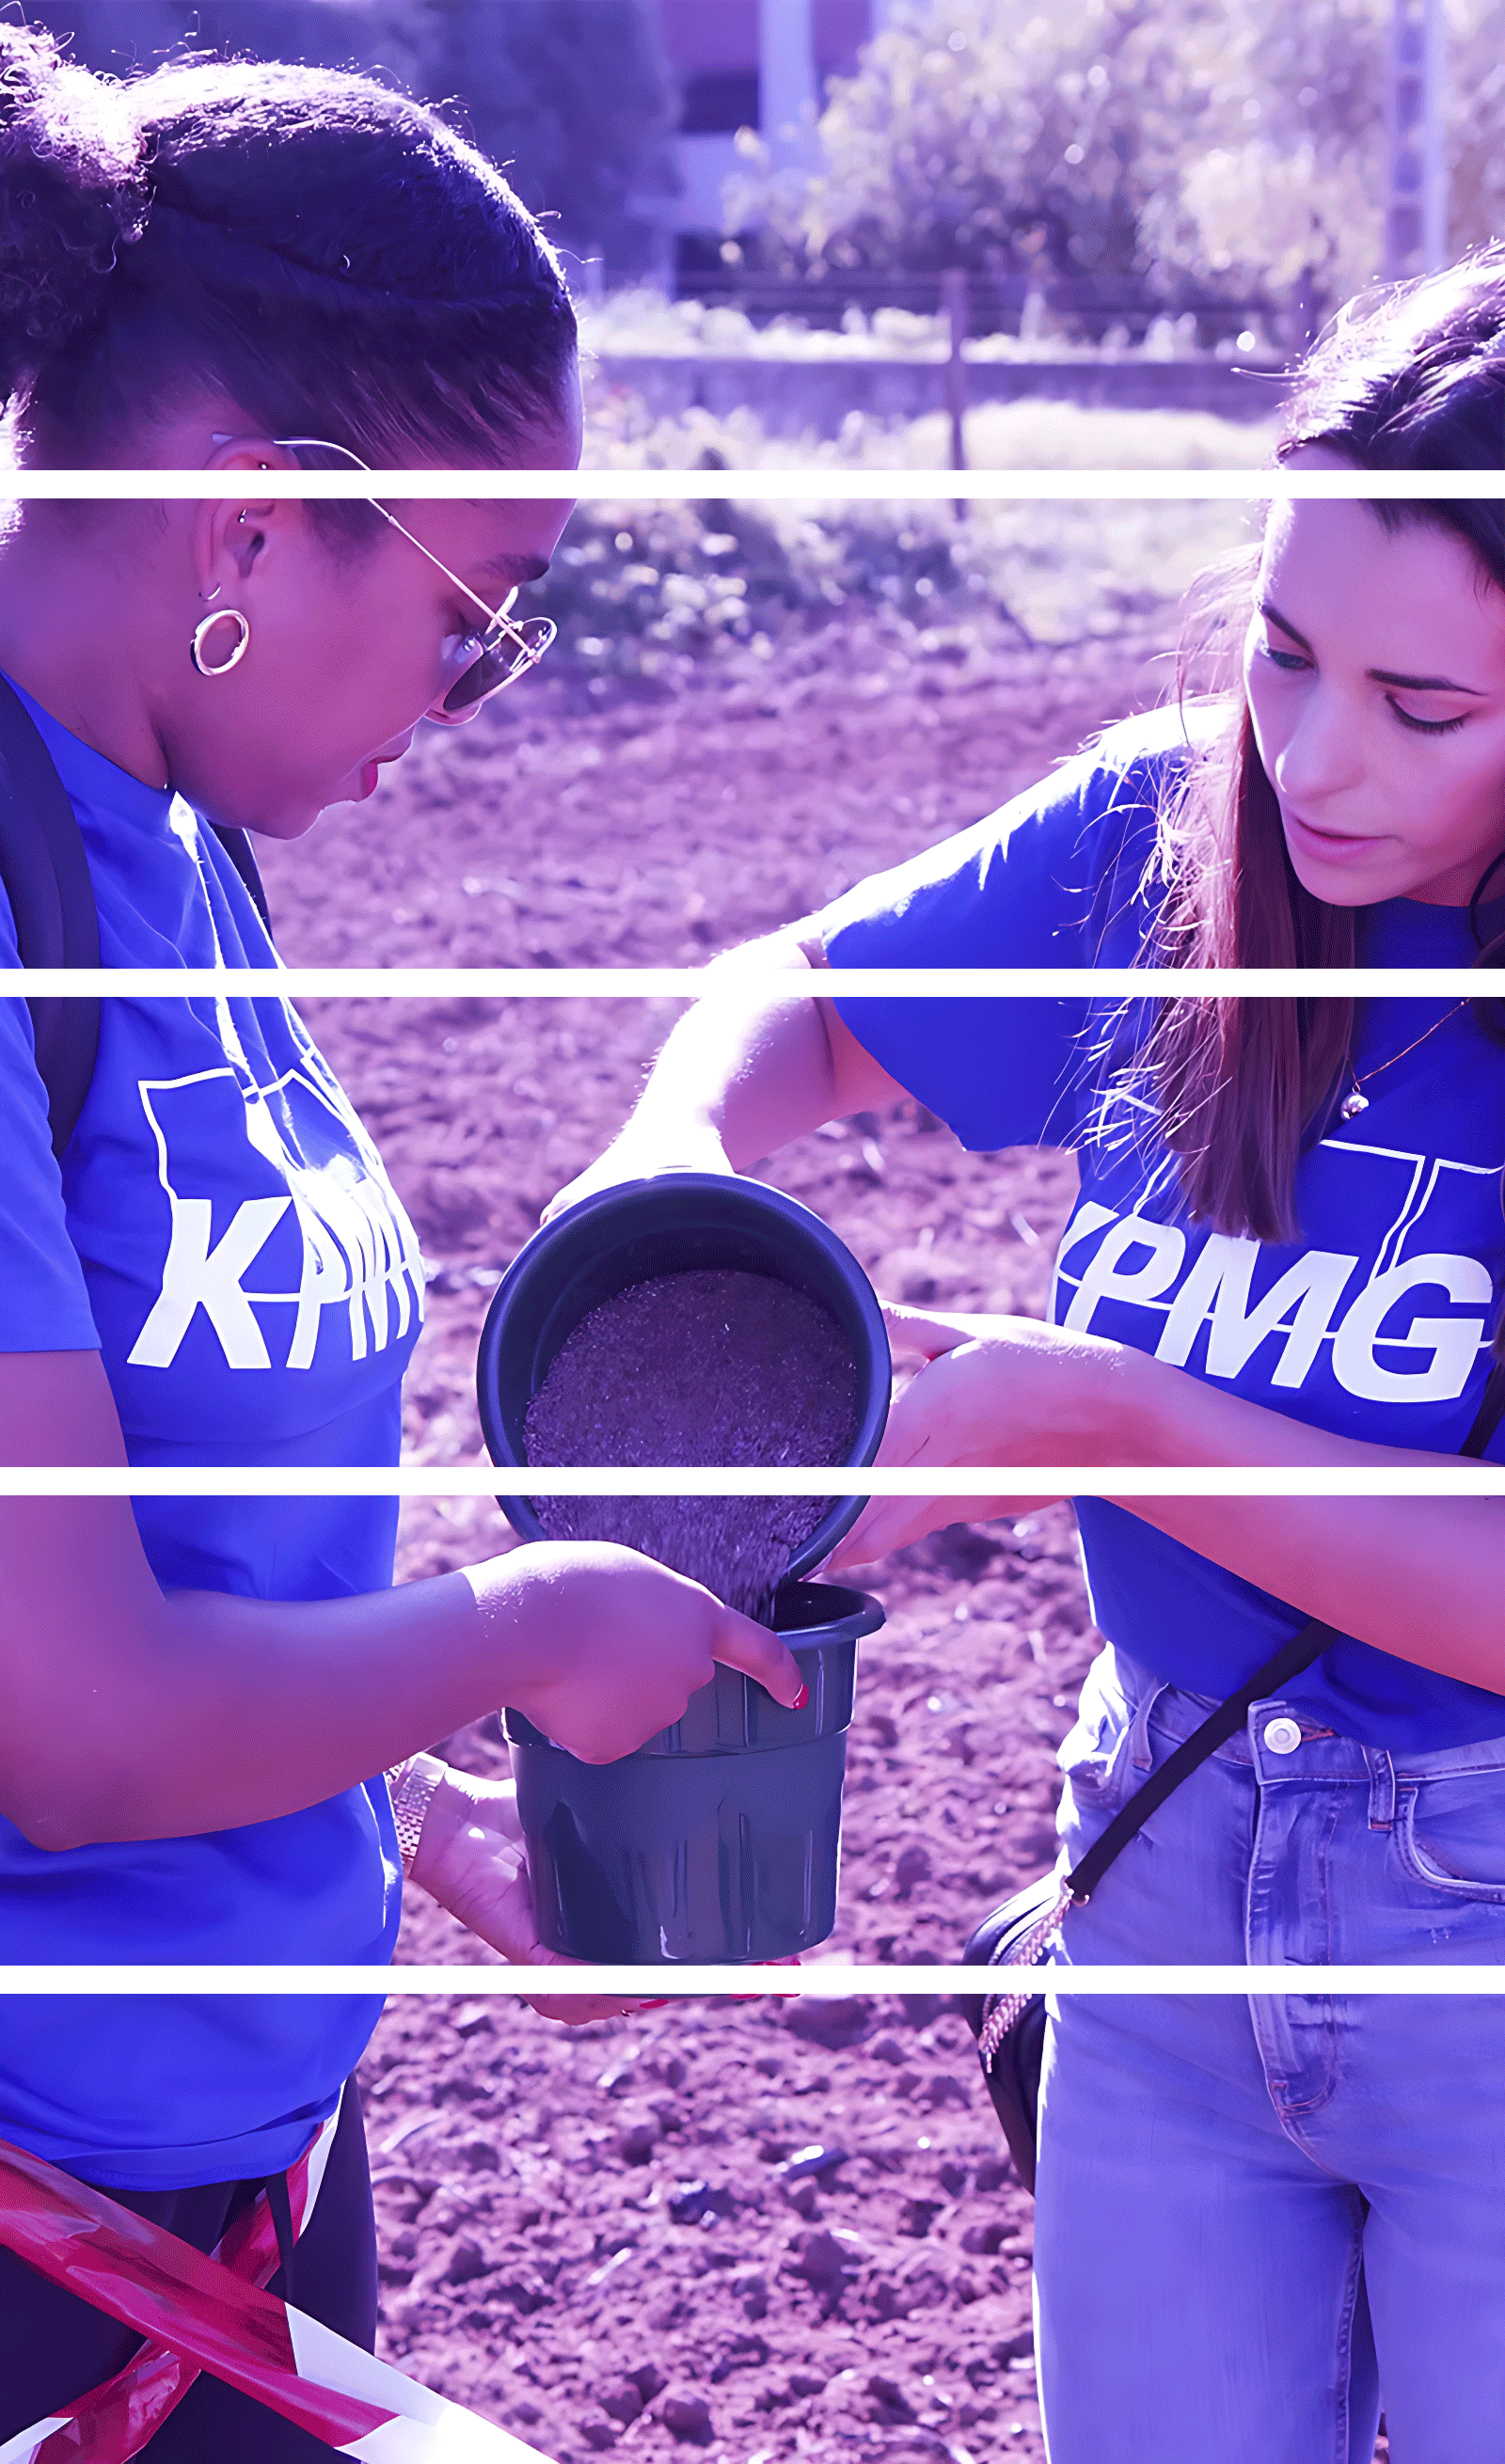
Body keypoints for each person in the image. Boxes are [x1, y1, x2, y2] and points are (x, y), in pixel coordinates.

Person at [551, 254, 1505, 2463]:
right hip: (1154, 1882)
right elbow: (787, 998)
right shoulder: (1163, 842)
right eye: (1278, 657)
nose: (1312, 756)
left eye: (1421, 706)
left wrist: (1086, 1412)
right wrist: (668, 1166)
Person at [0, 25, 807, 2458]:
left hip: (242, 2190)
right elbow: (82, 1714)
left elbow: (211, 1546)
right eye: (487, 604)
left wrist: (431, 1824)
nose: (477, 686)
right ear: (253, 529)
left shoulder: (174, 851)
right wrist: (534, 1624)